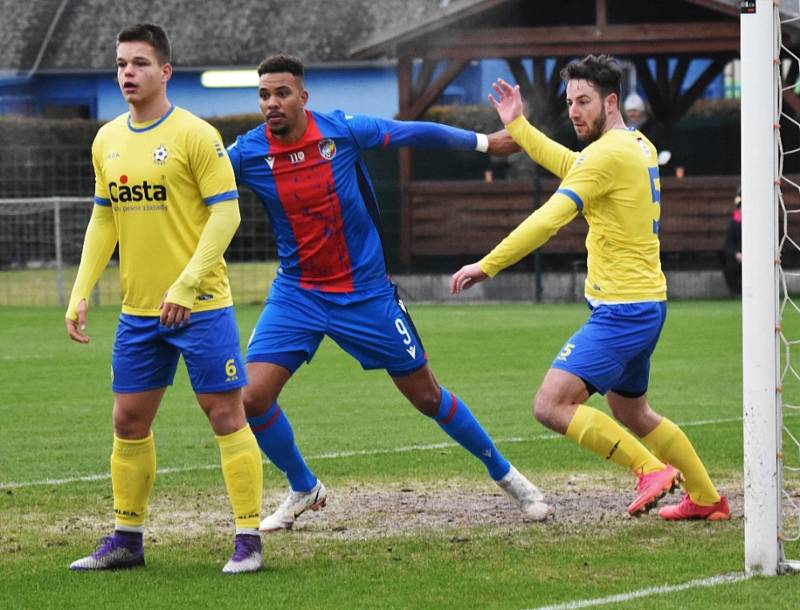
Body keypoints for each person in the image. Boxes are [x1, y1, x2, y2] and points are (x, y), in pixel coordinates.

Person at [226, 54, 552, 532]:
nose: (271, 103)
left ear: (303, 97)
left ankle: (511, 480)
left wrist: (484, 142)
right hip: (297, 295)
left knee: (427, 397)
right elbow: (196, 175)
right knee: (252, 398)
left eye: (281, 93)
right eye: (263, 95)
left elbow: (413, 133)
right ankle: (304, 487)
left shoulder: (341, 131)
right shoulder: (247, 153)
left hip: (365, 296)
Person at [450, 55, 730, 521]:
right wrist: (517, 125)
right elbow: (569, 163)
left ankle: (650, 470)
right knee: (634, 413)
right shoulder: (635, 145)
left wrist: (487, 265)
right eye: (569, 102)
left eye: (584, 101)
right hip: (645, 305)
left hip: (621, 312)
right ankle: (705, 498)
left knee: (551, 404)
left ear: (611, 101)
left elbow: (548, 219)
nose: (574, 111)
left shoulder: (606, 154)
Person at [65, 23, 263, 573]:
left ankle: (248, 539)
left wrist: (187, 284)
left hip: (200, 305)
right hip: (138, 311)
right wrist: (81, 292)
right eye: (121, 63)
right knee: (128, 420)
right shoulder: (106, 139)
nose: (128, 72)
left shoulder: (196, 135)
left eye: (140, 63)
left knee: (224, 413)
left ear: (165, 71)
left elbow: (228, 213)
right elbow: (104, 219)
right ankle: (127, 539)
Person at [722, 188, 742, 296]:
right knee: (730, 268)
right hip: (738, 257)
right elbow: (728, 245)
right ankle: (737, 293)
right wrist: (737, 254)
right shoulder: (734, 223)